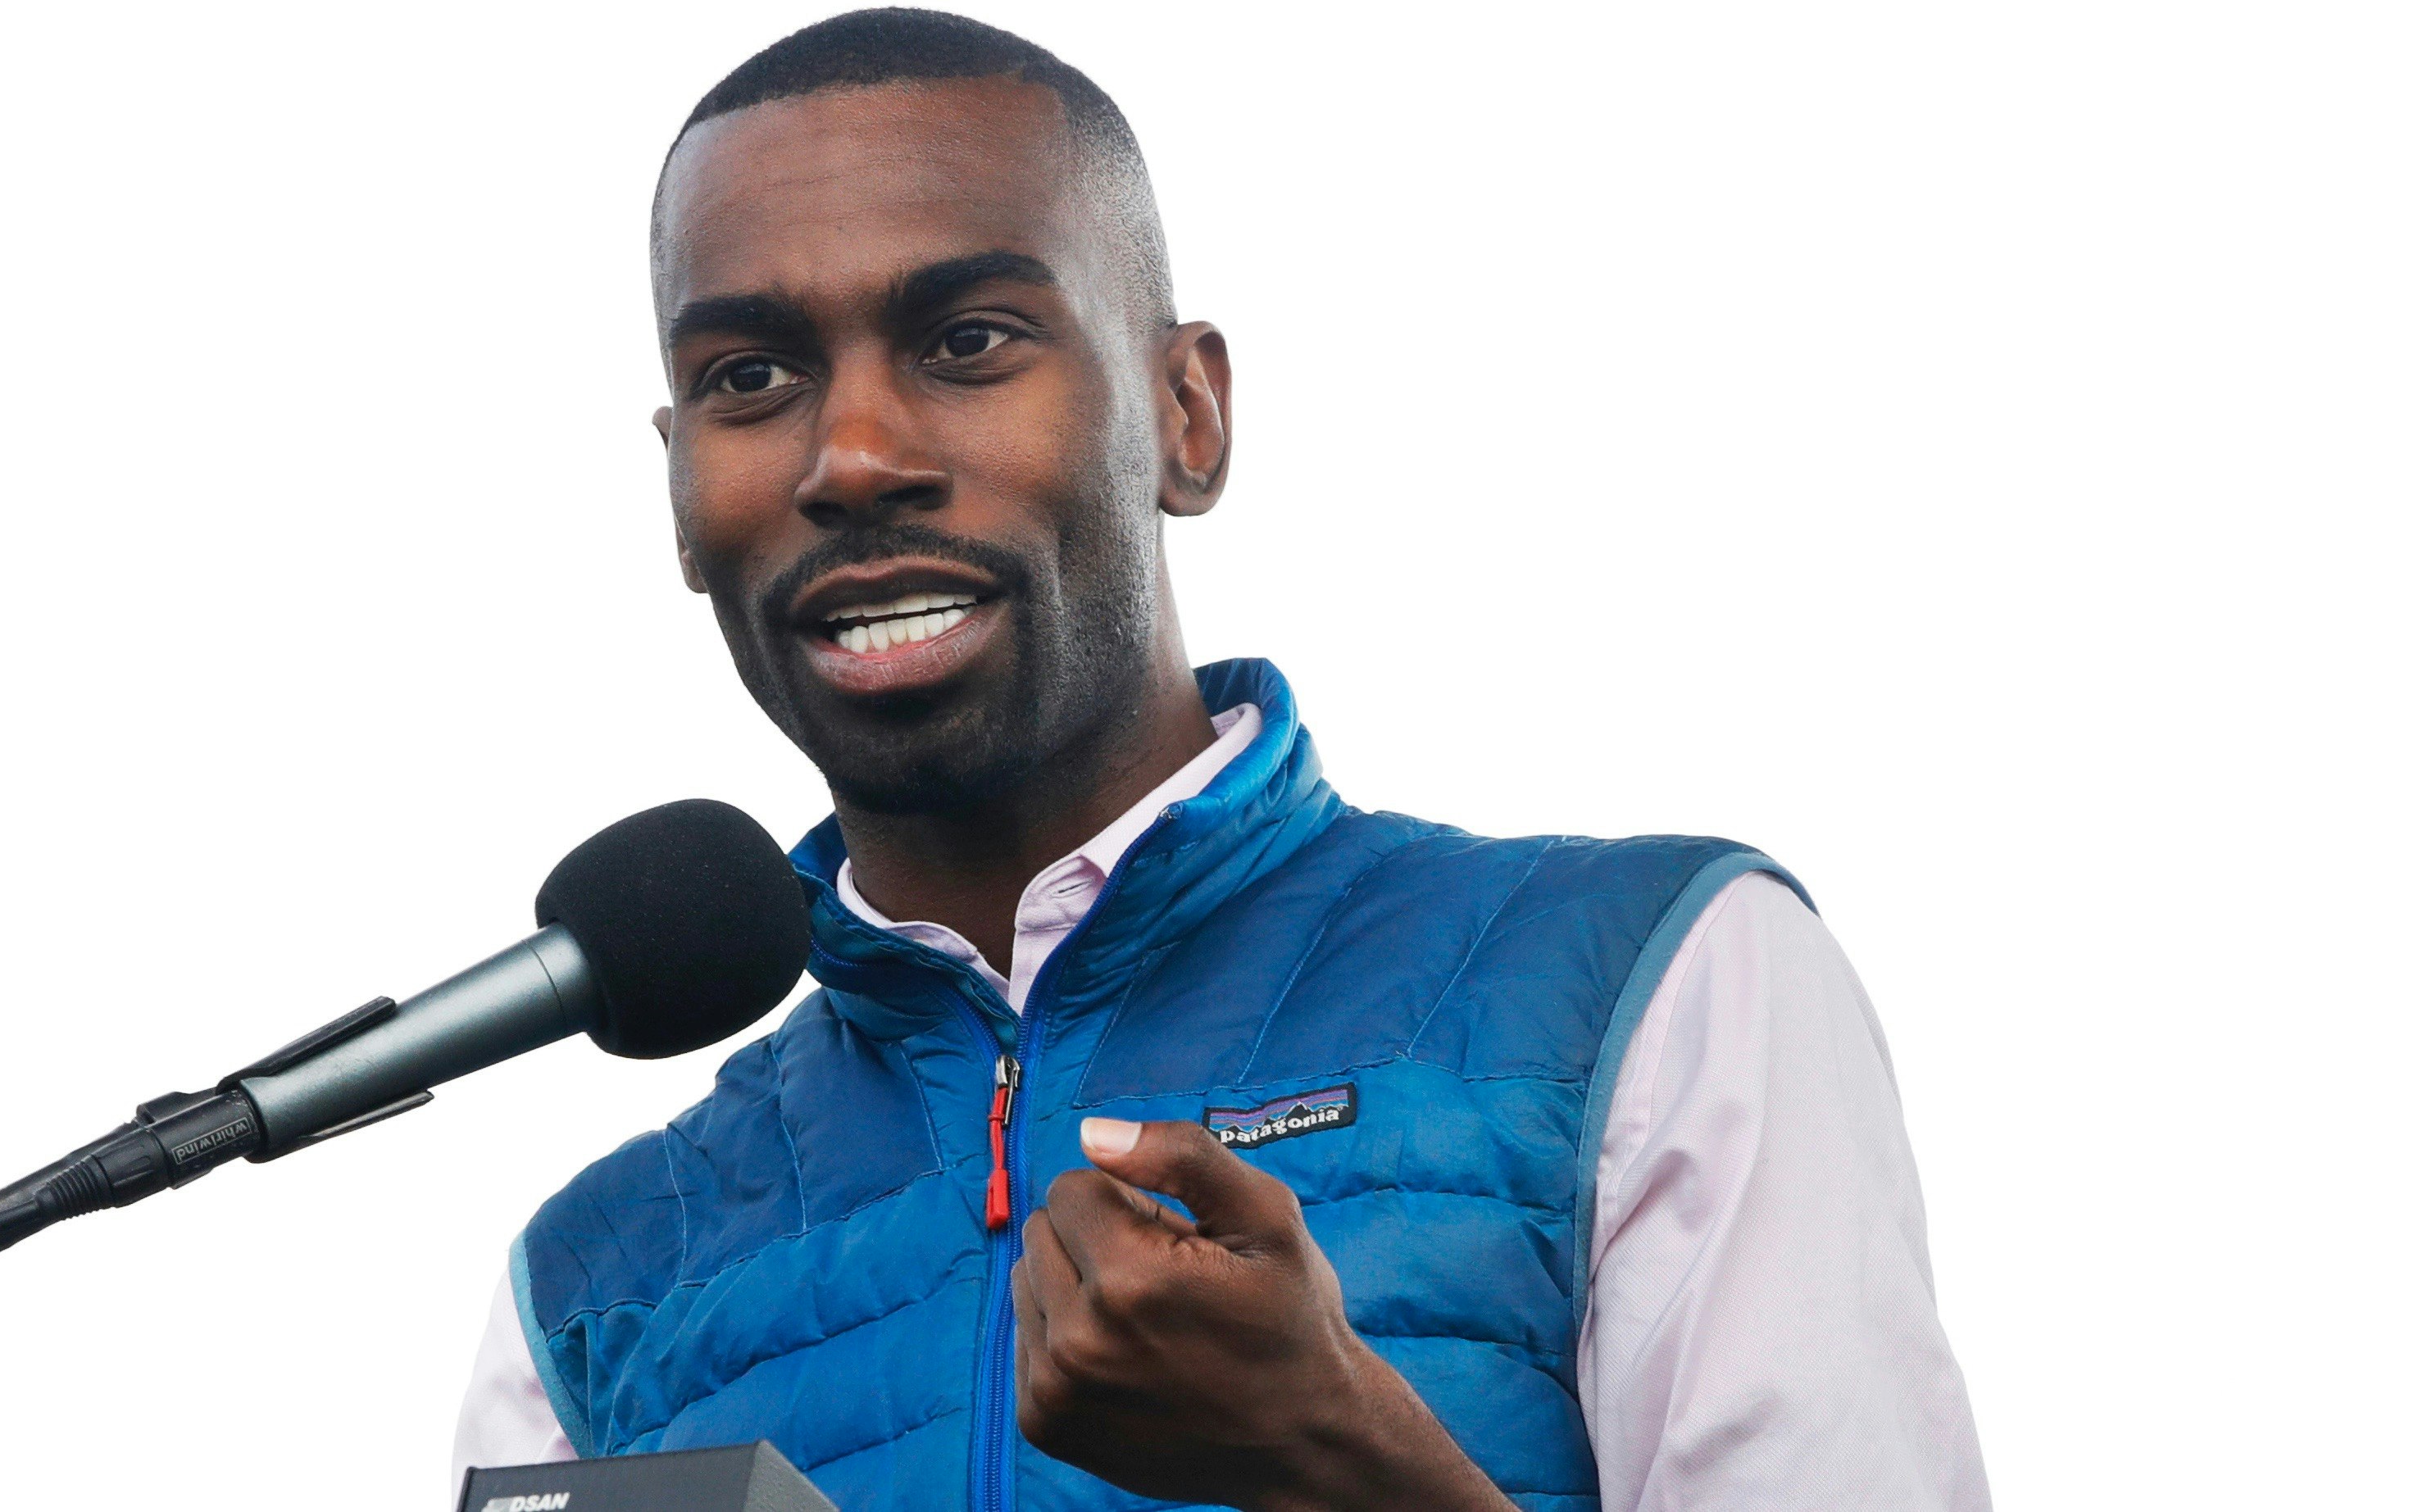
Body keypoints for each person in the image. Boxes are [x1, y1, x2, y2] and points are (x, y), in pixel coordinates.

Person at [452, 10, 1989, 1510]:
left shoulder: (1650, 987)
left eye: (967, 339)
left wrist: (1349, 1471)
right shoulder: (593, 1285)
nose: (851, 454)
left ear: (1187, 415)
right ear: (675, 490)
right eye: (750, 379)